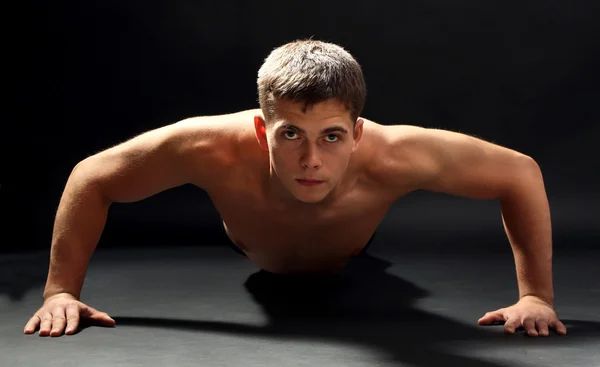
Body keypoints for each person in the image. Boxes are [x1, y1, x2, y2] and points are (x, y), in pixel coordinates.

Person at [24, 39, 567, 338]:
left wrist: (535, 296)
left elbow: (519, 173)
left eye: (332, 136)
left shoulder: (399, 153)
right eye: (291, 135)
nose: (311, 159)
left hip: (349, 250)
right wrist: (60, 292)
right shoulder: (207, 147)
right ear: (263, 129)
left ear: (357, 133)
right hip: (252, 247)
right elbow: (91, 177)